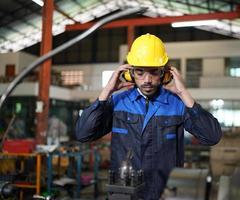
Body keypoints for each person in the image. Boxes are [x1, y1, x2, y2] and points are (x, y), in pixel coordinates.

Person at [75, 33, 222, 200]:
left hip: (164, 193)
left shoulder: (178, 104)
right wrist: (106, 91)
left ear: (165, 74)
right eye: (140, 72)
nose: (147, 80)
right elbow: (83, 134)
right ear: (130, 73)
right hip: (124, 193)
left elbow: (212, 136)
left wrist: (184, 93)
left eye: (154, 72)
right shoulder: (117, 102)